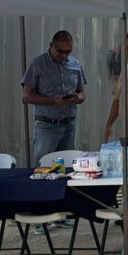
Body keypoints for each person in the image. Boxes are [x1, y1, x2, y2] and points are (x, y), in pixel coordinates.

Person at [22, 30, 87, 166]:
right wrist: (52, 101)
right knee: (44, 168)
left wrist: (77, 98)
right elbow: (26, 96)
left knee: (67, 167)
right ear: (51, 45)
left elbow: (82, 93)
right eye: (60, 51)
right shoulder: (37, 64)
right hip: (46, 126)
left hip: (69, 125)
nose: (64, 55)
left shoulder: (75, 64)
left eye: (68, 51)